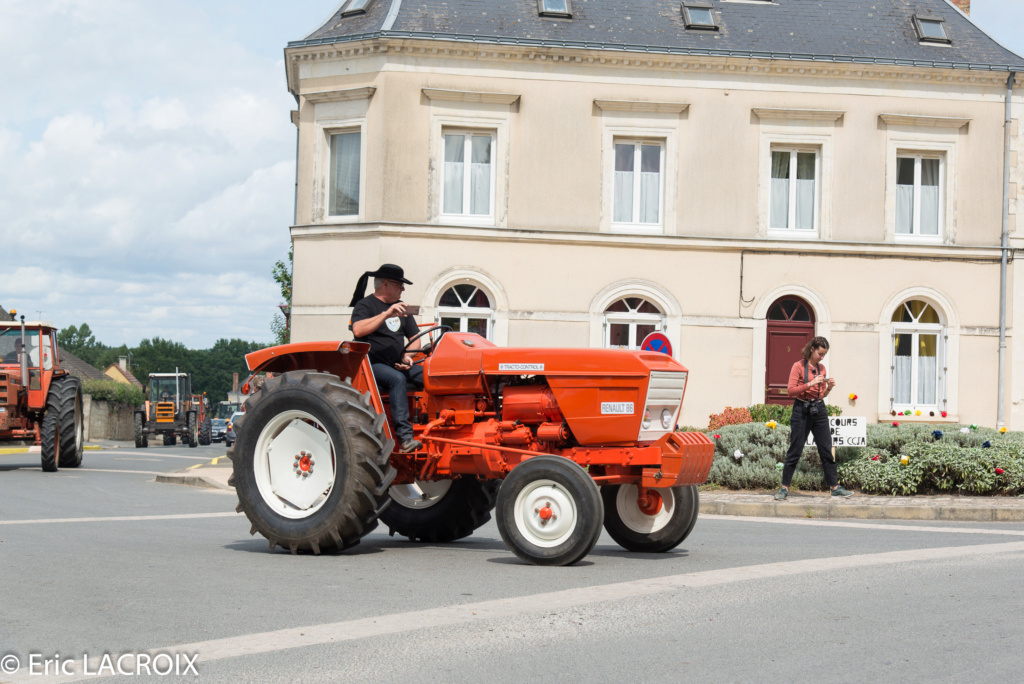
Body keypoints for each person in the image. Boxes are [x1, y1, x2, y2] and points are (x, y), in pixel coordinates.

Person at [349, 263, 423, 453]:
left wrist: (408, 357)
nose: (403, 289)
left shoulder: (401, 308)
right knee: (396, 379)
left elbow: (415, 340)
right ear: (387, 284)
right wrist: (386, 314)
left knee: (428, 375)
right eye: (400, 285)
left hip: (398, 363)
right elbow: (358, 329)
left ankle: (433, 426)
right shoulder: (365, 305)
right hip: (372, 364)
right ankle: (405, 438)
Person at [775, 336, 854, 500]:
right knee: (795, 449)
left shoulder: (822, 368)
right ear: (812, 349)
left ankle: (834, 487)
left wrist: (829, 388)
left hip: (818, 409)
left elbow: (822, 394)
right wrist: (810, 384)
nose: (822, 357)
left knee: (826, 449)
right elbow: (790, 391)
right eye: (820, 353)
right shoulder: (798, 366)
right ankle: (784, 488)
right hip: (801, 409)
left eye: (824, 354)